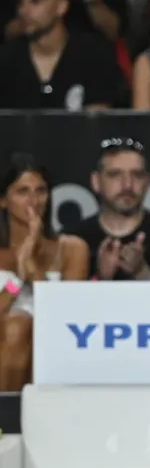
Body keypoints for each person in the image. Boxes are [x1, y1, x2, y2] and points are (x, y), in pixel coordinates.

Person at [0, 153, 89, 391]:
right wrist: (17, 279)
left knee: (18, 326)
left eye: (41, 191)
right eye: (23, 191)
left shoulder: (71, 249)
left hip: (53, 352)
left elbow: (65, 318)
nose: (34, 201)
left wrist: (32, 268)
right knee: (16, 327)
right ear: (3, 200)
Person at [66, 138, 150, 281]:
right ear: (96, 182)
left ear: (147, 182)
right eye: (115, 174)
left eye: (137, 175)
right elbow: (59, 295)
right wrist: (101, 278)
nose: (127, 185)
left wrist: (141, 271)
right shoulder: (72, 240)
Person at [0, 0, 126, 110]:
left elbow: (97, 121)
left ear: (61, 6)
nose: (24, 11)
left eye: (36, 1)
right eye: (21, 3)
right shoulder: (7, 59)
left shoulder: (93, 57)